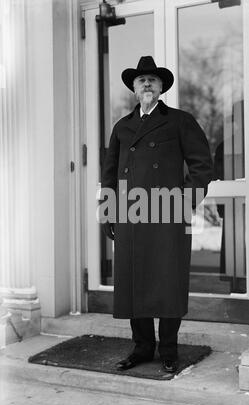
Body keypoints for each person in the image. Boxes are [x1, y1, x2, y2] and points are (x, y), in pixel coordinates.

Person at [101, 56, 213, 373]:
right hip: (131, 214)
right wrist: (109, 208)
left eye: (152, 79)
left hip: (167, 214)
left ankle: (168, 350)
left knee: (167, 281)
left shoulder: (180, 121)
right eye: (141, 80)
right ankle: (142, 347)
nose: (147, 84)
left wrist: (184, 202)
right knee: (135, 281)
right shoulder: (122, 127)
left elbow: (202, 166)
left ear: (161, 87)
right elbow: (109, 172)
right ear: (134, 89)